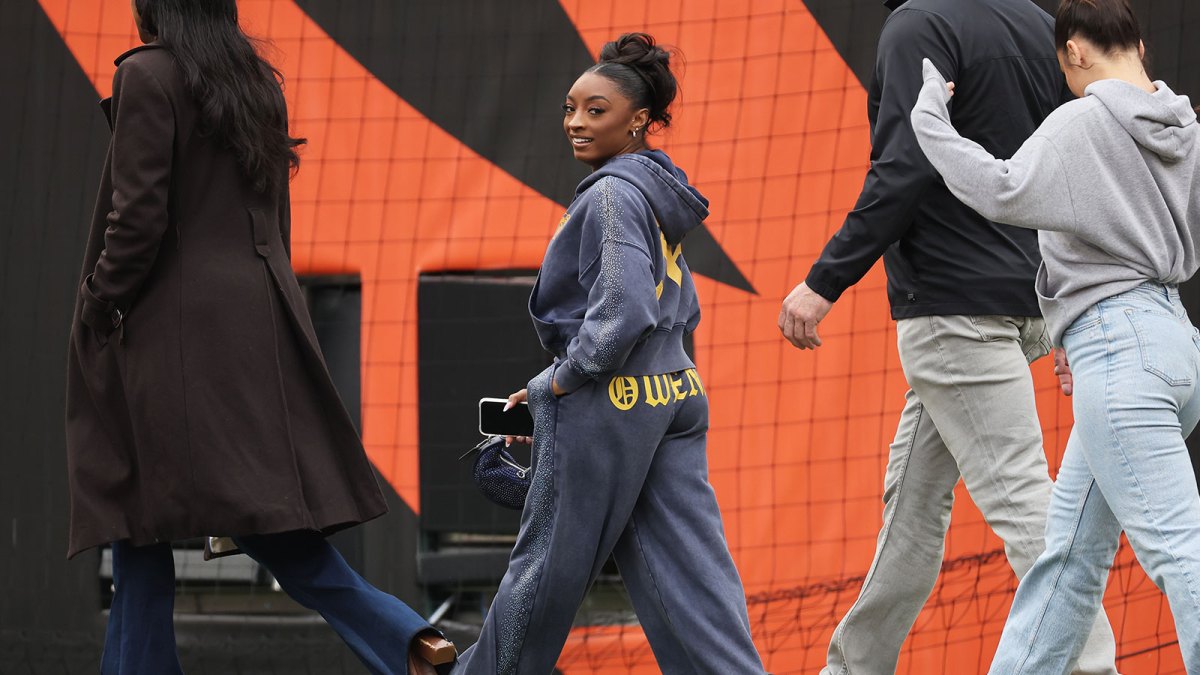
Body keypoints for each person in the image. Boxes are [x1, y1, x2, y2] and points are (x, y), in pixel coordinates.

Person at [64, 1, 453, 673]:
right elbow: (273, 217)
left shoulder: (148, 76)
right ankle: (409, 640)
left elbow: (137, 220)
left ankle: (404, 642)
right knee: (235, 516)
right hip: (255, 318)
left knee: (141, 511)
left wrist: (100, 302)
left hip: (167, 332)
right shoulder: (256, 80)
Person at [776, 0, 1121, 673]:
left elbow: (905, 162)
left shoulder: (918, 24)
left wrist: (824, 281)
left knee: (1024, 500)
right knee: (911, 508)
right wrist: (1076, 300)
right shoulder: (1038, 24)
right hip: (1025, 305)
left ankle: (1092, 666)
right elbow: (1080, 164)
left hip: (954, 311)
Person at [453, 33, 764, 675]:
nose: (575, 122)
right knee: (695, 580)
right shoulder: (658, 190)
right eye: (571, 107)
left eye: (596, 110)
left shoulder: (609, 194)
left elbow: (623, 313)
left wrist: (555, 385)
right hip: (675, 393)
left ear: (640, 120)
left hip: (609, 403)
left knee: (543, 573)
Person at [911, 0, 1200, 670]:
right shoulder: (1184, 127)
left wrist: (929, 112)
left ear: (1074, 50)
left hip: (1120, 355)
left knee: (1182, 551)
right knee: (1067, 560)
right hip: (1170, 343)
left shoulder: (1082, 122)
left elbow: (1001, 187)